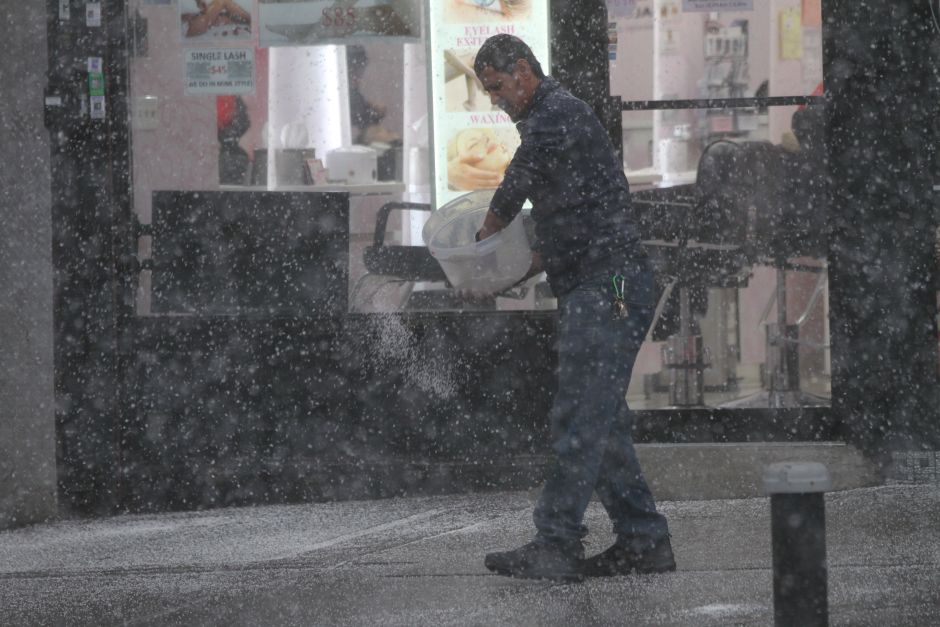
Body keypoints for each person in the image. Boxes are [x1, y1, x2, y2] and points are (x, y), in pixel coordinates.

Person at [472, 34, 675, 582]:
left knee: (579, 416)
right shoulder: (557, 125)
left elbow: (521, 175)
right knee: (601, 421)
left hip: (606, 286)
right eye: (490, 94)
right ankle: (643, 539)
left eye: (497, 88)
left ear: (521, 70)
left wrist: (485, 232)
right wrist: (498, 271)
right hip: (599, 281)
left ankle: (557, 541)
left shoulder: (557, 113)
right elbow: (563, 226)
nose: (497, 101)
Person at [181, 0, 250, 39]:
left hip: (194, 22)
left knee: (225, 17)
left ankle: (247, 23)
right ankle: (252, 20)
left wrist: (199, 3)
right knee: (222, 1)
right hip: (191, 25)